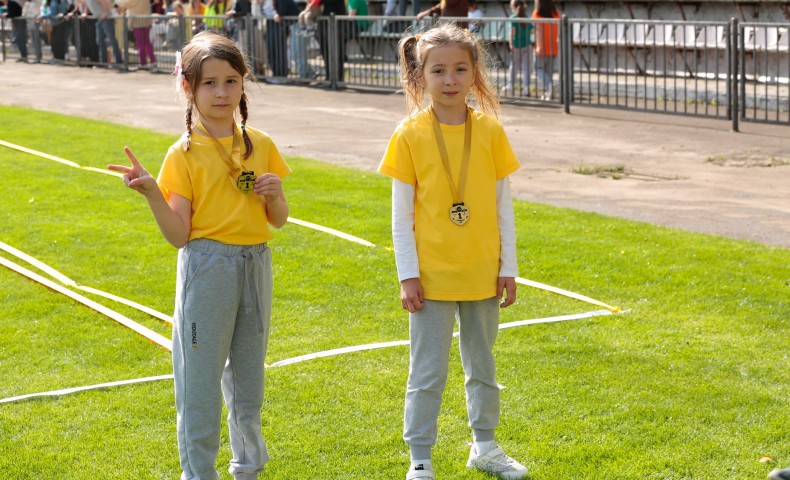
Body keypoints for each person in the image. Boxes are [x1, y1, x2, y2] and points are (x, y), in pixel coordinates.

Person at [106, 31, 291, 480]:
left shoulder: (260, 144)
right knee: (201, 383)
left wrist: (275, 194)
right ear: (188, 87)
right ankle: (199, 473)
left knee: (249, 379)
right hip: (207, 268)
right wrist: (153, 194)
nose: (222, 92)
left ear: (243, 84)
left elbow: (278, 220)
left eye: (231, 81)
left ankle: (248, 466)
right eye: (210, 83)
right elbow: (179, 235)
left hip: (255, 263)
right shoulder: (183, 153)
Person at [378, 22, 527, 480]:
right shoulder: (408, 134)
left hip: (483, 274)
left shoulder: (490, 132)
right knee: (426, 373)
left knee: (482, 367)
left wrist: (508, 267)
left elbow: (504, 207)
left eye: (460, 69)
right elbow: (401, 217)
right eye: (438, 70)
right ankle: (419, 457)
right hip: (431, 278)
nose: (450, 80)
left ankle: (484, 445)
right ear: (420, 76)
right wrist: (408, 275)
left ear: (474, 71)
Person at [115, 0, 157, 68]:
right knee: (147, 42)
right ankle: (152, 61)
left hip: (137, 22)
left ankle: (143, 63)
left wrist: (115, 1)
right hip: (146, 20)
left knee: (141, 43)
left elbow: (125, 4)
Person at [531, 0, 559, 100]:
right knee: (548, 72)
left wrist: (539, 47)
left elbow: (538, 31)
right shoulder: (555, 12)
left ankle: (549, 86)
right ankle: (549, 93)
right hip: (553, 47)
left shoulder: (537, 13)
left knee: (537, 69)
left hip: (542, 46)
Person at [83, 0, 124, 66]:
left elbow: (103, 2)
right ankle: (104, 62)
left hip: (107, 19)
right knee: (99, 40)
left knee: (112, 39)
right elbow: (87, 5)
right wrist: (85, 13)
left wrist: (106, 13)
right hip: (99, 19)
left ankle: (119, 61)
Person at [505, 0, 532, 97]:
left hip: (516, 45)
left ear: (514, 6)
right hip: (527, 45)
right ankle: (527, 88)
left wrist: (510, 44)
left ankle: (510, 86)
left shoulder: (513, 18)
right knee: (526, 68)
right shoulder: (527, 17)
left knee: (514, 67)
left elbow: (512, 32)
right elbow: (532, 31)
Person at [315, 0, 346, 84]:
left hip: (336, 23)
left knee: (337, 51)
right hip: (324, 23)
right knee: (325, 51)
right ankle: (328, 77)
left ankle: (339, 78)